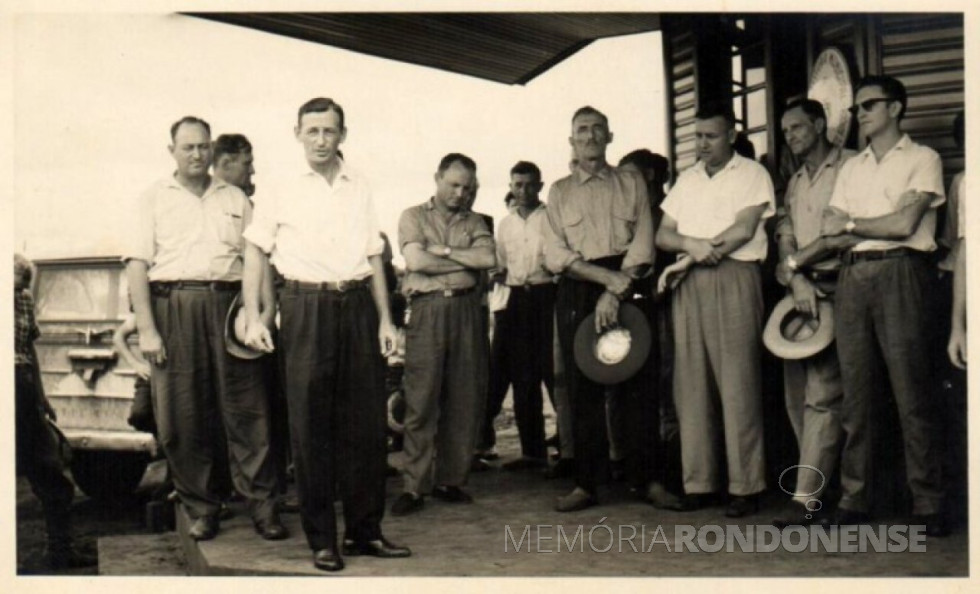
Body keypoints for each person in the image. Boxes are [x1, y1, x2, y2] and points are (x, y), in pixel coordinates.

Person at [241, 97, 409, 572]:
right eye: (312, 131)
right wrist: (254, 316)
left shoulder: (361, 183)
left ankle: (364, 532)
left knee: (365, 427)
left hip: (357, 304)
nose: (320, 140)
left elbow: (375, 254)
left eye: (329, 131)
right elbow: (255, 251)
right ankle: (323, 540)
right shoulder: (278, 186)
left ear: (343, 134)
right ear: (297, 133)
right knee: (311, 428)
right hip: (304, 307)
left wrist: (385, 319)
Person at [123, 116, 284, 543]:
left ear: (212, 150)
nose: (197, 154)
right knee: (182, 416)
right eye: (187, 147)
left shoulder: (235, 198)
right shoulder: (152, 199)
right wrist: (148, 330)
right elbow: (137, 265)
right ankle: (202, 508)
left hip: (231, 307)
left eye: (203, 147)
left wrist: (263, 313)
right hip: (174, 308)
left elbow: (257, 260)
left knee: (249, 411)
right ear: (171, 150)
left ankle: (263, 508)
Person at [820, 75, 948, 536]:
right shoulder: (852, 168)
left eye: (870, 104)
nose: (860, 114)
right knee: (856, 394)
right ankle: (856, 498)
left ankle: (928, 502)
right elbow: (833, 232)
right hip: (853, 276)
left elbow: (904, 224)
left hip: (902, 272)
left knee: (912, 390)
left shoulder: (922, 158)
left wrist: (854, 223)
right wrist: (861, 228)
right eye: (856, 107)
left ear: (895, 108)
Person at [542, 106, 677, 512]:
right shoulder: (559, 191)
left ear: (610, 136)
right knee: (583, 389)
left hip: (628, 280)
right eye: (581, 130)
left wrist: (618, 289)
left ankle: (647, 480)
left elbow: (643, 240)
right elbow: (555, 254)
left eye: (597, 129)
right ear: (571, 140)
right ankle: (587, 483)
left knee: (640, 384)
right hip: (581, 286)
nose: (590, 136)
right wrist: (604, 283)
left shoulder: (630, 181)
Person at [655, 102, 774, 518]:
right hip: (691, 285)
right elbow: (663, 234)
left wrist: (695, 253)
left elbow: (744, 228)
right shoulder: (687, 180)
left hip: (734, 276)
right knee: (692, 385)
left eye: (710, 136)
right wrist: (691, 247)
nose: (701, 144)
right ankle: (700, 483)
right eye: (697, 136)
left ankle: (746, 486)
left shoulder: (752, 174)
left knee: (738, 383)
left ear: (730, 136)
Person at [391, 153, 496, 516]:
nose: (460, 193)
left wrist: (445, 251)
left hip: (467, 311)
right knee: (421, 398)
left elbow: (488, 259)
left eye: (466, 187)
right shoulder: (413, 216)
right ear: (436, 178)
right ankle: (414, 487)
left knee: (463, 397)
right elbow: (416, 262)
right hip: (427, 311)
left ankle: (450, 480)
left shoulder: (477, 220)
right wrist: (461, 263)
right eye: (453, 185)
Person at [769, 99, 855, 527]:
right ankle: (820, 484)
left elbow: (838, 236)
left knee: (825, 394)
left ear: (820, 125)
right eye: (786, 130)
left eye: (798, 127)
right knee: (797, 395)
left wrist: (796, 266)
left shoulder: (852, 167)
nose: (791, 136)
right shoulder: (796, 180)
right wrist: (795, 276)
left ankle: (806, 497)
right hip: (801, 293)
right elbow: (785, 234)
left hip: (840, 287)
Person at [15, 254, 97, 571]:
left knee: (52, 474)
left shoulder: (23, 300)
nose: (15, 294)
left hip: (21, 387)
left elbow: (29, 350)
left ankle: (61, 552)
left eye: (20, 287)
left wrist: (41, 396)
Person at [482, 161, 556, 471]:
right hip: (516, 301)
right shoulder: (505, 224)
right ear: (510, 187)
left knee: (554, 372)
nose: (523, 191)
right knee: (523, 377)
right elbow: (499, 265)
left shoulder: (552, 218)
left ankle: (571, 453)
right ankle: (533, 453)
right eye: (517, 185)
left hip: (547, 296)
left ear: (540, 186)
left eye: (528, 185)